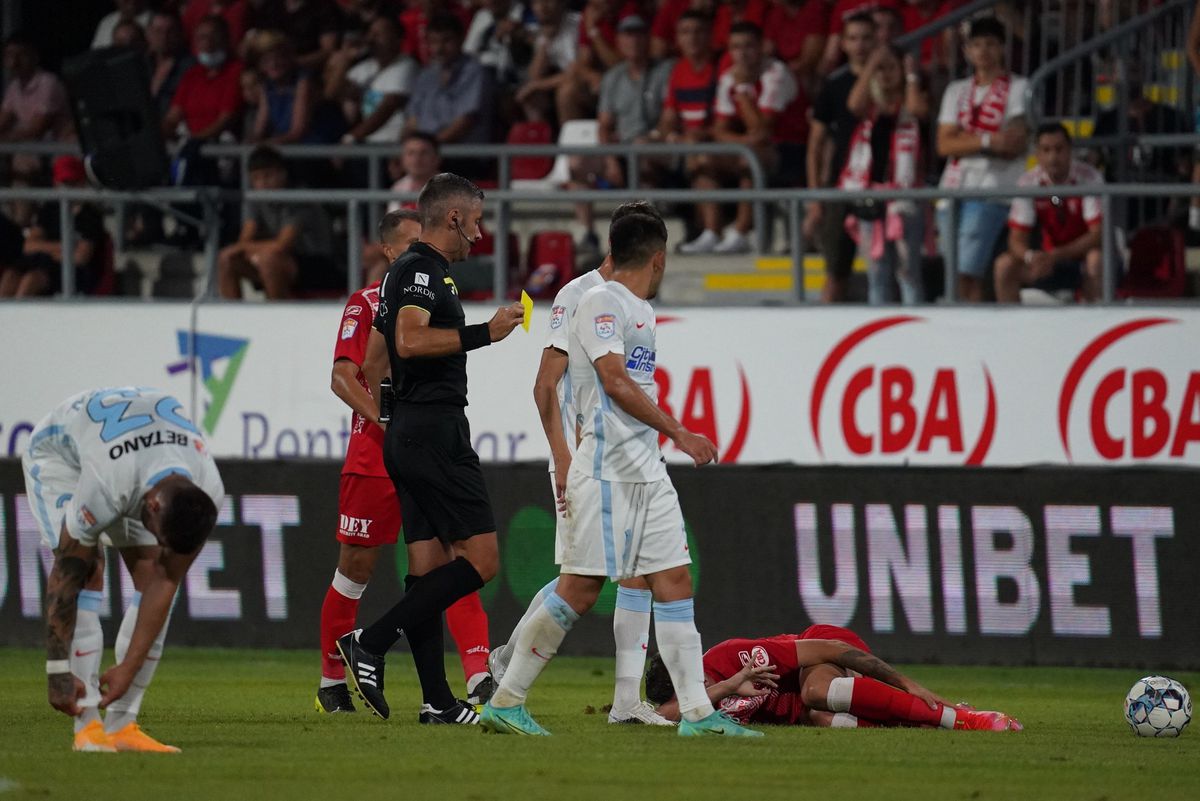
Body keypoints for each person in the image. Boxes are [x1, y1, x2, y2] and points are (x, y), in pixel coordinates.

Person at [479, 212, 759, 738]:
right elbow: (613, 381)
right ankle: (507, 698)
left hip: (645, 470)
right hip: (606, 471)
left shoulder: (640, 309)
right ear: (660, 257)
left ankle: (698, 714)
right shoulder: (599, 301)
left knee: (674, 579)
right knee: (579, 589)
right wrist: (680, 431)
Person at [336, 173, 525, 723]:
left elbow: (391, 350)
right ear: (453, 219)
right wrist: (484, 333)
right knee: (482, 560)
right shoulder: (419, 269)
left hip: (411, 430)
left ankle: (437, 701)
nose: (480, 234)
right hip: (433, 432)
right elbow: (409, 341)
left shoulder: (421, 272)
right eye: (476, 221)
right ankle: (370, 641)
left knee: (425, 569)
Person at [486, 202, 673, 727]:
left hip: (628, 460)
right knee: (581, 579)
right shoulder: (578, 296)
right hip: (585, 459)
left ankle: (625, 702)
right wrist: (562, 458)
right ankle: (507, 670)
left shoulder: (636, 304)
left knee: (635, 576)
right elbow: (545, 384)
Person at [23, 386, 223, 752]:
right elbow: (65, 576)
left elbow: (166, 579)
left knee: (155, 573)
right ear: (152, 505)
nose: (160, 545)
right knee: (88, 569)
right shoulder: (108, 483)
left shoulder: (209, 488)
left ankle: (121, 726)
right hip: (60, 457)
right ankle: (87, 728)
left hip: (136, 452)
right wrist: (56, 672)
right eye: (158, 534)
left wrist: (129, 667)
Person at [645, 624, 1023, 731]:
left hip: (827, 648)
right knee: (823, 717)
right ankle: (926, 722)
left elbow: (827, 649)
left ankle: (961, 717)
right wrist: (727, 688)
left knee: (815, 691)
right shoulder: (703, 695)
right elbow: (666, 713)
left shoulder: (733, 656)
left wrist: (903, 681)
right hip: (809, 708)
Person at [679, 21, 806, 255]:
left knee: (750, 159)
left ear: (761, 47)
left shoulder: (776, 73)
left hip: (792, 148)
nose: (742, 53)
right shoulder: (729, 77)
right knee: (702, 158)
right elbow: (719, 129)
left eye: (749, 46)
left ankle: (740, 232)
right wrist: (745, 141)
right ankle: (712, 231)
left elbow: (763, 129)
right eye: (736, 47)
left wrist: (743, 91)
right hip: (754, 146)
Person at [935, 16, 1028, 302]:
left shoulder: (1019, 87)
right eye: (976, 45)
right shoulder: (956, 90)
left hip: (992, 190)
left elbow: (1012, 144)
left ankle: (969, 330)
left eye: (990, 44)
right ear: (967, 51)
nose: (983, 51)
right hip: (952, 189)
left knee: (966, 273)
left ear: (1002, 48)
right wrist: (988, 140)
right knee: (954, 274)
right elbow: (943, 144)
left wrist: (964, 142)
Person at [839, 43, 928, 305]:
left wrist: (911, 76)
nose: (886, 74)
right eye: (881, 69)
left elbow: (918, 111)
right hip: (871, 198)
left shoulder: (911, 102)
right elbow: (853, 104)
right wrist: (871, 66)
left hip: (905, 200)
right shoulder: (869, 109)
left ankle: (913, 327)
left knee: (908, 272)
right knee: (877, 271)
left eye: (891, 68)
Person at [806, 12, 875, 302]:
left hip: (882, 186)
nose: (859, 44)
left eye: (866, 37)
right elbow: (816, 144)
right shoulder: (834, 85)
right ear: (843, 44)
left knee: (888, 271)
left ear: (878, 40)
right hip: (841, 189)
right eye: (853, 38)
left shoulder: (890, 77)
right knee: (836, 273)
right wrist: (815, 196)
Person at [994, 123, 1104, 304]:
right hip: (1045, 261)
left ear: (1070, 151)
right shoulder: (1028, 183)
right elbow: (1016, 240)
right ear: (1037, 154)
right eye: (1046, 150)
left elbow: (1096, 235)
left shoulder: (1090, 178)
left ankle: (1094, 325)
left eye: (1059, 149)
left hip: (1079, 258)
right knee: (1004, 265)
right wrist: (1031, 257)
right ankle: (1011, 329)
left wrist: (1055, 255)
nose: (1053, 157)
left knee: (1095, 259)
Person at [217, 145, 336, 299]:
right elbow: (245, 238)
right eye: (256, 178)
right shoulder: (255, 199)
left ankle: (276, 318)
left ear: (283, 174)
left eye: (268, 175)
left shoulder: (299, 198)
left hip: (320, 264)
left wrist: (244, 248)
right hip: (284, 260)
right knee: (227, 259)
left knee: (269, 259)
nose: (263, 183)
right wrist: (241, 249)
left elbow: (282, 244)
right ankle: (232, 319)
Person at [0, 156, 106, 298]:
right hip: (46, 263)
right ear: (55, 183)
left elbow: (81, 257)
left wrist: (44, 249)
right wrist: (67, 247)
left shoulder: (90, 216)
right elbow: (29, 246)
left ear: (81, 183)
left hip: (74, 273)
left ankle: (19, 318)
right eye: (62, 183)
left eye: (71, 183)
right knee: (10, 275)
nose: (66, 188)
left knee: (32, 279)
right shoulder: (49, 210)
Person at [404, 13, 495, 147]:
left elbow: (464, 122)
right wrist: (404, 150)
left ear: (461, 39)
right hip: (426, 153)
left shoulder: (475, 72)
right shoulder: (426, 75)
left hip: (462, 155)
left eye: (446, 41)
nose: (439, 48)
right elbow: (412, 121)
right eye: (433, 42)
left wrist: (429, 148)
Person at [326, 15, 416, 145]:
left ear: (398, 39)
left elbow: (388, 106)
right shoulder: (365, 67)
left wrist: (352, 137)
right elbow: (332, 94)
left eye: (379, 34)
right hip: (368, 142)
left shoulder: (407, 66)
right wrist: (345, 59)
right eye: (371, 33)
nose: (371, 39)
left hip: (394, 144)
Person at [0, 32, 73, 181]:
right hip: (32, 150)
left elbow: (36, 130)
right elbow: (2, 121)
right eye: (9, 56)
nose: (14, 62)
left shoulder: (48, 82)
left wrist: (5, 138)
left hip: (59, 151)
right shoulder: (14, 87)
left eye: (21, 55)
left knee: (22, 163)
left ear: (34, 57)